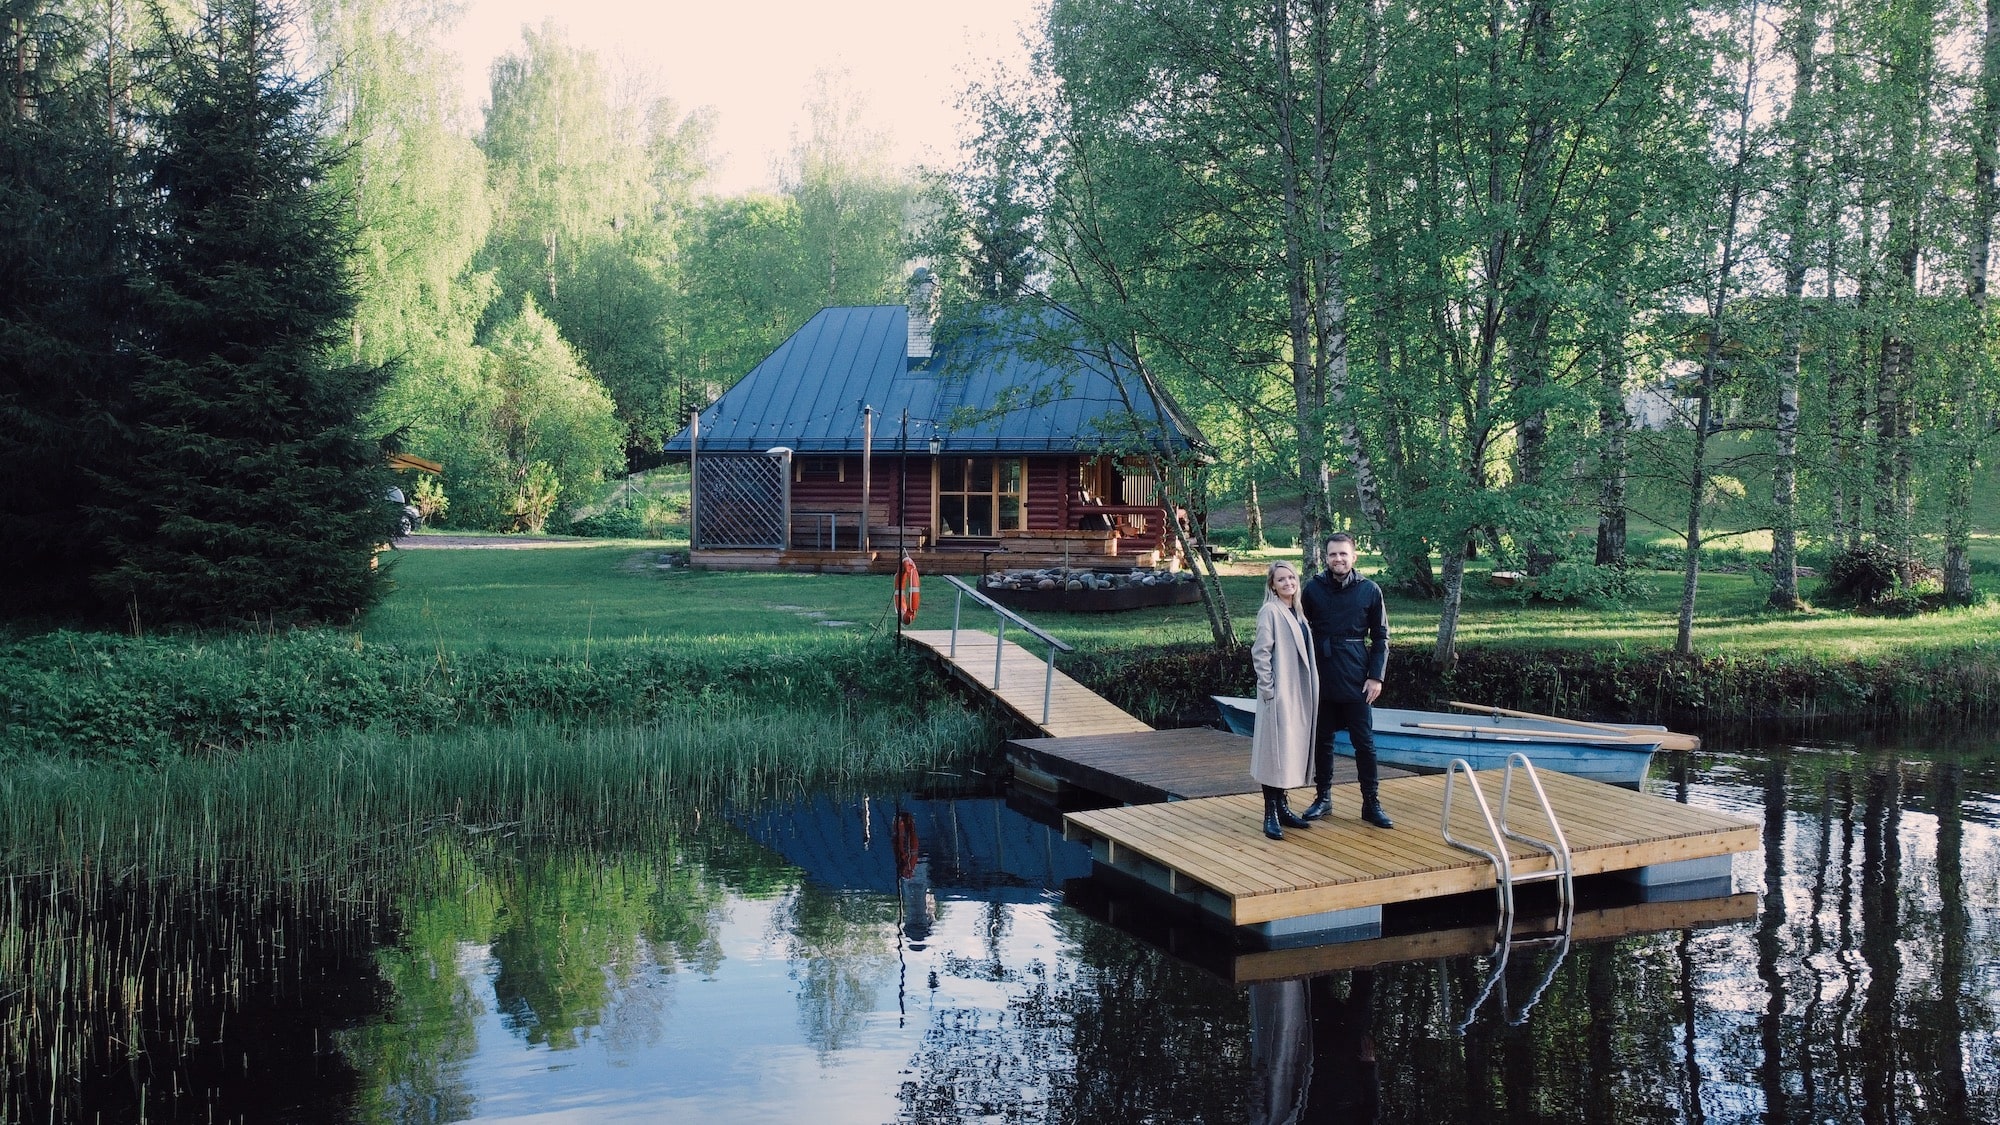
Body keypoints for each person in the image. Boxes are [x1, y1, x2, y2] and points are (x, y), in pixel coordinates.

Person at [1299, 532, 1393, 828]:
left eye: (1343, 554)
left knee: (1364, 743)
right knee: (1322, 740)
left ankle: (1371, 803)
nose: (1338, 559)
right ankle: (1323, 797)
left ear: (1354, 557)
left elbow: (1381, 637)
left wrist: (1376, 677)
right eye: (1332, 554)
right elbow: (1299, 630)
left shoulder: (1370, 590)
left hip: (1356, 676)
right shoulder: (1312, 589)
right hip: (1322, 675)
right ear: (1325, 558)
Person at [1250, 561, 1317, 840]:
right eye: (1281, 579)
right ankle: (1270, 814)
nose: (1288, 582)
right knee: (1273, 754)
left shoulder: (1298, 612)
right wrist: (1269, 691)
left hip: (1298, 693)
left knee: (1287, 752)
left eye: (1291, 577)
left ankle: (1284, 808)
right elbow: (1260, 653)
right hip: (1279, 694)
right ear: (1272, 585)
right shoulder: (1271, 611)